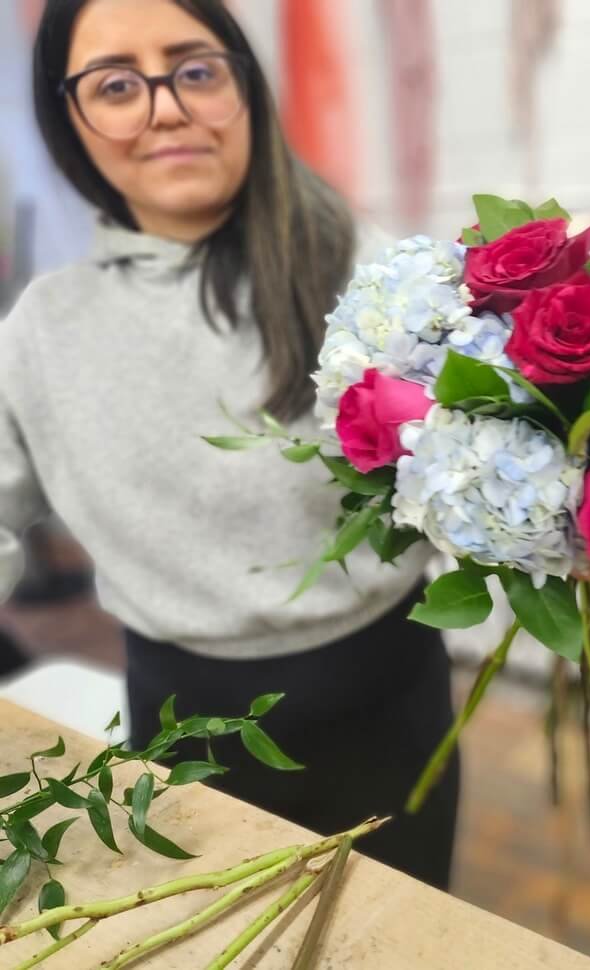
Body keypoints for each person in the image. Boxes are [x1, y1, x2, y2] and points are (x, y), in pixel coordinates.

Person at [0, 0, 459, 890]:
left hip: (391, 705)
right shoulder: (42, 333)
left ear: (245, 89)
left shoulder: (369, 270)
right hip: (188, 731)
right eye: (117, 87)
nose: (167, 109)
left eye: (196, 71)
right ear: (68, 120)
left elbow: (475, 460)